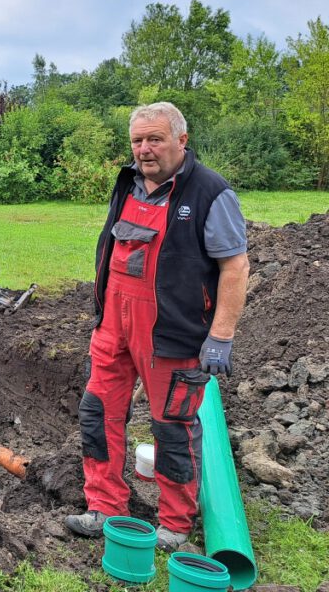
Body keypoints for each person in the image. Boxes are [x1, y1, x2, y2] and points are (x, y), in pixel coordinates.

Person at [65, 102, 249, 552]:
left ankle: (174, 524)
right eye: (137, 140)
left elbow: (235, 266)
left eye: (155, 139)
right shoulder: (127, 184)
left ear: (181, 141)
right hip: (114, 327)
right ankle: (104, 507)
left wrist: (221, 336)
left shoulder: (210, 193)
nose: (145, 150)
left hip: (172, 334)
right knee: (98, 415)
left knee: (173, 427)